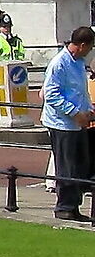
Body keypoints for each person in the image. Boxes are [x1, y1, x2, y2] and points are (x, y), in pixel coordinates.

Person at [42, 25, 95, 222]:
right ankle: (64, 206)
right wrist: (75, 113)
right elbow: (52, 95)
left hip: (78, 121)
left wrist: (88, 109)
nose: (90, 52)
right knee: (67, 165)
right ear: (82, 45)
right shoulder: (59, 63)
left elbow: (81, 90)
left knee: (81, 164)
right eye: (90, 48)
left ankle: (74, 205)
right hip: (61, 123)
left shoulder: (79, 63)